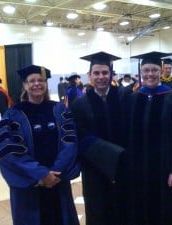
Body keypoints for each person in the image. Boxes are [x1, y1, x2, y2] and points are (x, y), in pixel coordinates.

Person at [0, 65, 80, 225]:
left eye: (41, 80)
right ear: (25, 85)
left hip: (58, 180)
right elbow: (10, 152)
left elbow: (70, 142)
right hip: (30, 184)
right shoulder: (13, 114)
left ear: (46, 84)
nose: (37, 84)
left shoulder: (59, 109)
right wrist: (41, 175)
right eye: (31, 81)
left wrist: (55, 172)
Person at [126, 51, 172, 225]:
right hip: (139, 171)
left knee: (166, 213)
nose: (150, 74)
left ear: (161, 71)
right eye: (146, 70)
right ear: (141, 72)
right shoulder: (133, 99)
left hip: (165, 169)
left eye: (154, 70)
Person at [71, 51, 129, 225]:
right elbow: (78, 138)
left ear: (111, 74)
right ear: (89, 75)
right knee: (97, 210)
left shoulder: (125, 97)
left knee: (124, 208)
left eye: (105, 73)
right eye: (96, 73)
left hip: (123, 167)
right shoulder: (79, 104)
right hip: (94, 170)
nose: (101, 77)